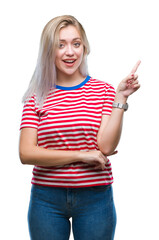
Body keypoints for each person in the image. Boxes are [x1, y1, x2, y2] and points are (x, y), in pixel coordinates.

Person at [19, 15, 141, 240]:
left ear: (84, 48)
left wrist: (121, 97)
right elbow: (26, 153)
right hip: (46, 199)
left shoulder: (104, 91)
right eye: (60, 45)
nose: (70, 52)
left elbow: (104, 147)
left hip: (95, 197)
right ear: (48, 50)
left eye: (76, 44)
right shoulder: (36, 95)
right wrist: (82, 155)